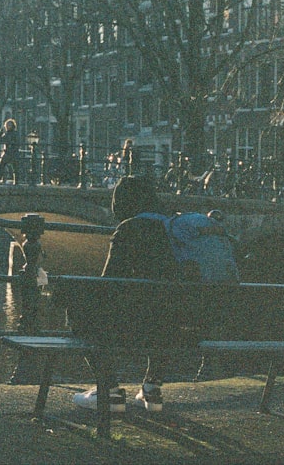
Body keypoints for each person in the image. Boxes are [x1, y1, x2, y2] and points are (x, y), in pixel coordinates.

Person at [71, 174, 181, 413]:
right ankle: (152, 388)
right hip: (182, 327)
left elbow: (108, 282)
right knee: (165, 311)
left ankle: (108, 390)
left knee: (79, 311)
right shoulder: (175, 228)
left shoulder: (130, 228)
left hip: (139, 325)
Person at [0, 119, 20, 184]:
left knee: (15, 167)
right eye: (7, 125)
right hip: (7, 152)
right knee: (1, 165)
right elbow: (0, 140)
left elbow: (17, 142)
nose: (8, 126)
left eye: (9, 125)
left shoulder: (14, 133)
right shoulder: (6, 134)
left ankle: (16, 180)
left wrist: (13, 145)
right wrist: (1, 132)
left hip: (13, 152)